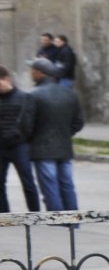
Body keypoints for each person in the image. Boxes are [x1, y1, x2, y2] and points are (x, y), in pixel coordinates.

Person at [27, 58, 82, 211]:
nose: (31, 73)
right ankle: (72, 218)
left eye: (33, 70)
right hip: (64, 147)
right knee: (67, 184)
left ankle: (56, 219)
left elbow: (26, 125)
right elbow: (78, 122)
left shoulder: (33, 95)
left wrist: (32, 139)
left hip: (42, 149)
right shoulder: (70, 94)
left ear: (40, 73)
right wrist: (65, 133)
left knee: (50, 186)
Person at [0, 66, 42, 213]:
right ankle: (4, 214)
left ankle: (34, 213)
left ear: (7, 79)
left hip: (19, 146)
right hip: (1, 146)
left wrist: (21, 137)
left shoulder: (24, 97)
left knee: (28, 182)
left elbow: (30, 122)